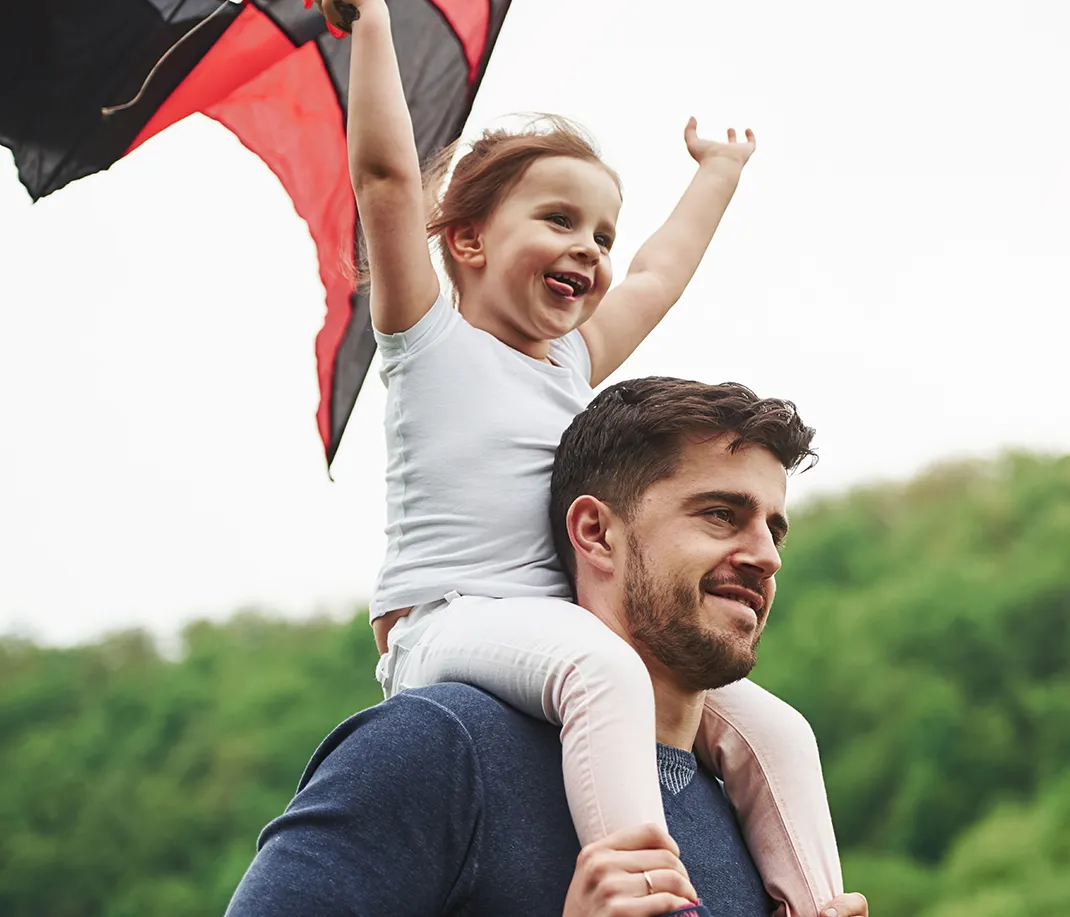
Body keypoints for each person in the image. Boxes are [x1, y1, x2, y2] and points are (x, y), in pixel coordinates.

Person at [307, 0, 839, 915]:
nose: (587, 251)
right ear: (466, 238)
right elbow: (387, 179)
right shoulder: (429, 343)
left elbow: (655, 277)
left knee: (775, 728)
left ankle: (814, 898)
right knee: (604, 669)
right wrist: (372, 26)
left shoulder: (571, 364)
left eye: (599, 232)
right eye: (557, 220)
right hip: (450, 621)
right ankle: (640, 889)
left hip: (552, 633)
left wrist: (718, 173)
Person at [227, 378, 869, 917]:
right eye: (720, 514)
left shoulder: (752, 815)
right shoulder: (439, 748)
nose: (765, 556)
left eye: (774, 529)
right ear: (595, 533)